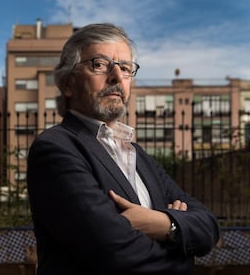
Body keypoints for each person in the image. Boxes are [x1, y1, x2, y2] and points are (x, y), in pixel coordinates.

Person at [26, 23, 220, 274]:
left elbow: (209, 227)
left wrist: (164, 224)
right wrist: (183, 252)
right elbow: (116, 256)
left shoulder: (137, 154)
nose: (117, 76)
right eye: (99, 64)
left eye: (125, 68)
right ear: (68, 84)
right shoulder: (55, 148)